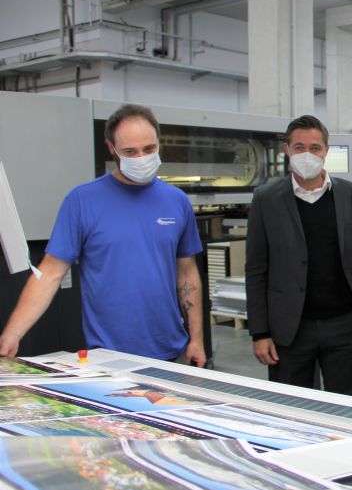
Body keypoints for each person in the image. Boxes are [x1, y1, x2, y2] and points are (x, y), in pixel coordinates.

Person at [0, 104, 205, 366]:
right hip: (107, 356)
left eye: (149, 149)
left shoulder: (177, 201)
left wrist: (196, 339)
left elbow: (187, 272)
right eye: (130, 151)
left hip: (170, 351)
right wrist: (12, 334)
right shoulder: (82, 201)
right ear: (112, 149)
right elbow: (50, 273)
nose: (141, 157)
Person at [245, 114, 352, 397]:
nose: (307, 154)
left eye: (315, 147)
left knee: (345, 407)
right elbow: (256, 269)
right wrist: (260, 332)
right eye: (299, 147)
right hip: (289, 330)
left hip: (345, 325)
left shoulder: (351, 195)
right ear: (287, 150)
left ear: (326, 151)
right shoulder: (266, 198)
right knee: (293, 410)